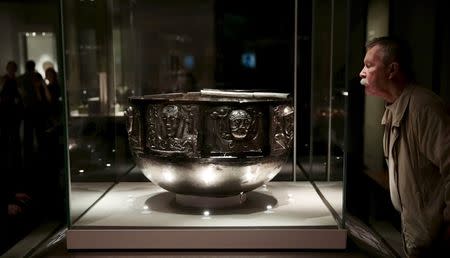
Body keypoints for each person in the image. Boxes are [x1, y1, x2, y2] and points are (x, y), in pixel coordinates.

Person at [359, 36, 450, 257]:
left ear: (392, 70)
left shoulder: (424, 108)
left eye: (369, 65)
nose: (361, 72)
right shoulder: (393, 108)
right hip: (418, 239)